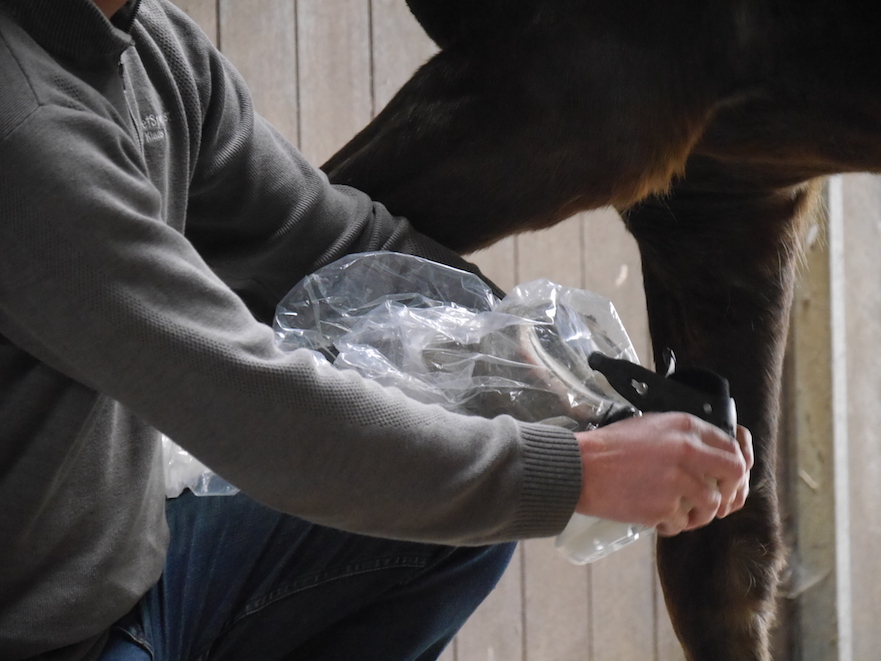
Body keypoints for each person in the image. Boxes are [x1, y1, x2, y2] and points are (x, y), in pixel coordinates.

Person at [0, 0, 753, 659]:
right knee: (469, 487)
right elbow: (257, 412)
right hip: (46, 639)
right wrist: (584, 471)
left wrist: (557, 363)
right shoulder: (28, 135)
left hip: (137, 574)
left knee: (447, 529)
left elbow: (325, 235)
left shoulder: (148, 48)